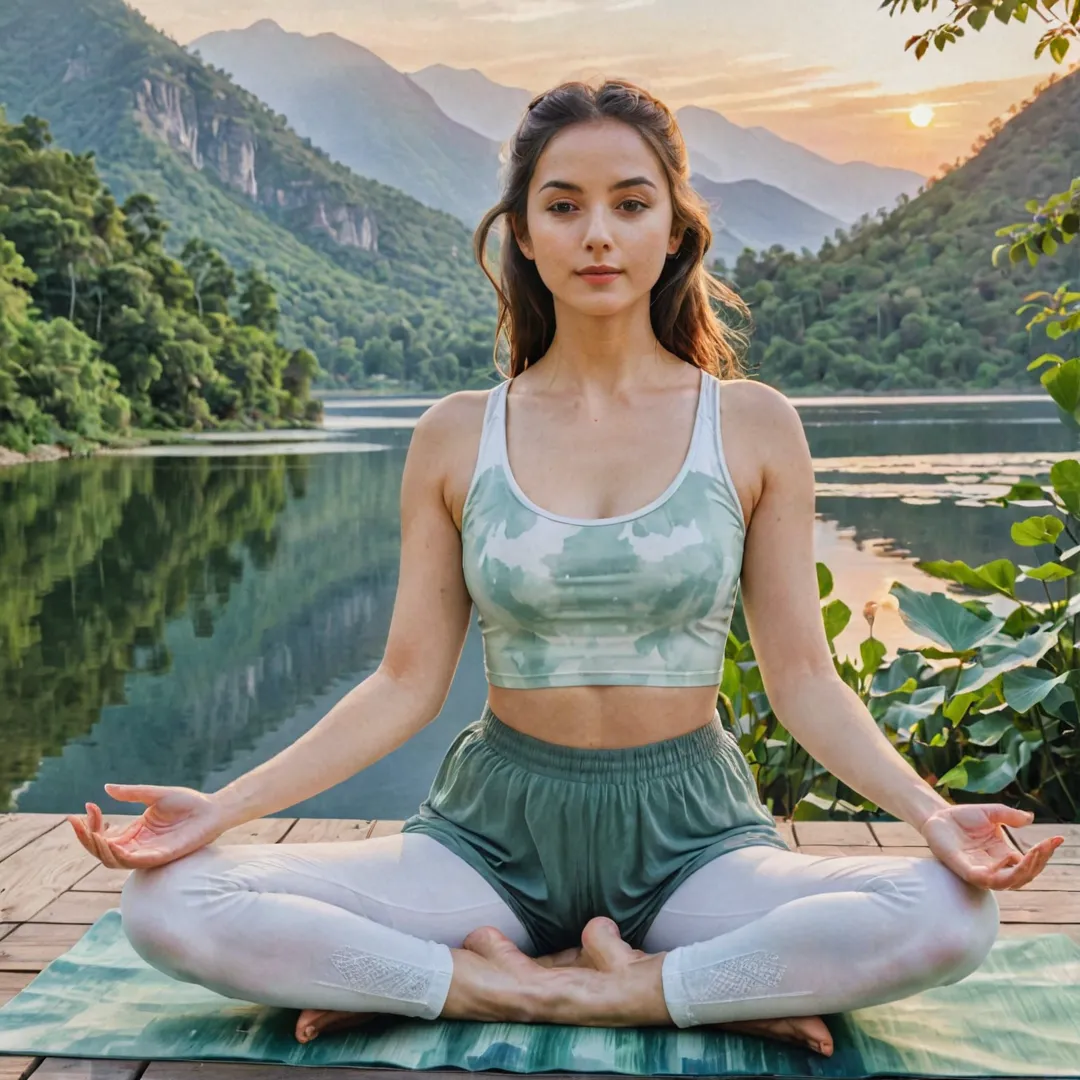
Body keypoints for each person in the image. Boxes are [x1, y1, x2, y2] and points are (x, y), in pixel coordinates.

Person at [67, 78, 1064, 1057]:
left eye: (631, 204)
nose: (598, 234)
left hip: (696, 841)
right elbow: (405, 682)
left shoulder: (751, 426)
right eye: (564, 205)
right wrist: (225, 808)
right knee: (169, 900)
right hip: (489, 841)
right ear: (524, 233)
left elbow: (804, 678)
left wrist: (932, 814)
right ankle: (510, 983)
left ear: (675, 229)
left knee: (951, 915)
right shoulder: (457, 436)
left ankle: (616, 994)